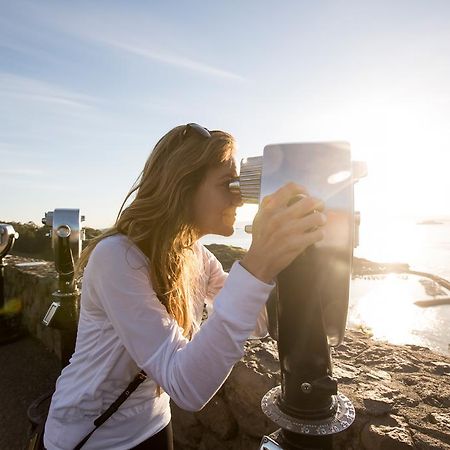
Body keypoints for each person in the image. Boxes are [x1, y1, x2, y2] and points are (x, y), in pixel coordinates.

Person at [43, 123, 326, 450]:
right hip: (91, 437)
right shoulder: (117, 258)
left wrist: (289, 259)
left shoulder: (196, 256)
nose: (240, 197)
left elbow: (258, 321)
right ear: (181, 186)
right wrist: (258, 261)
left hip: (154, 423)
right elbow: (187, 386)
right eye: (228, 184)